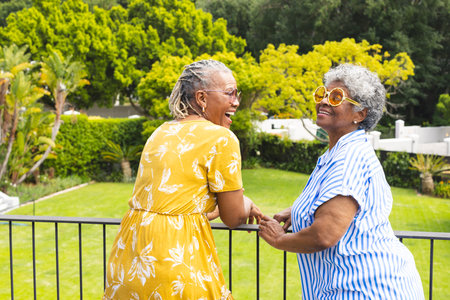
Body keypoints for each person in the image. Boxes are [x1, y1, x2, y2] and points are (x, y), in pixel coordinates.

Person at [258, 64, 425, 299]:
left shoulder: (350, 157)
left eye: (336, 97)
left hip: (366, 289)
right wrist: (298, 210)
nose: (324, 101)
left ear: (360, 113)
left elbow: (324, 234)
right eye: (322, 94)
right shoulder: (337, 154)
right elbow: (338, 204)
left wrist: (279, 239)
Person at [103, 59, 263, 300]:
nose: (236, 101)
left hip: (131, 259)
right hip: (178, 262)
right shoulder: (222, 138)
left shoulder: (160, 132)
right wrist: (247, 204)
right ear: (201, 98)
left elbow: (169, 205)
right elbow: (233, 217)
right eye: (230, 93)